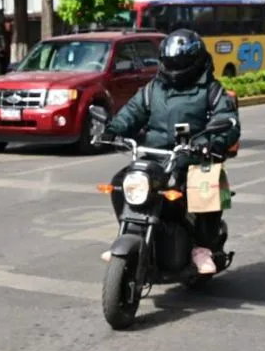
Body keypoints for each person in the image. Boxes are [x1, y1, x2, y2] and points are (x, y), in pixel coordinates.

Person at [98, 29, 241, 274]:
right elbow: (132, 112)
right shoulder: (153, 89)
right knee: (120, 184)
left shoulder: (211, 90)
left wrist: (210, 141)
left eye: (180, 61)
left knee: (204, 185)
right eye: (171, 61)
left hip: (193, 157)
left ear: (194, 61)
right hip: (154, 156)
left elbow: (227, 119)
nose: (175, 66)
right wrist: (112, 130)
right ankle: (129, 231)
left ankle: (202, 247)